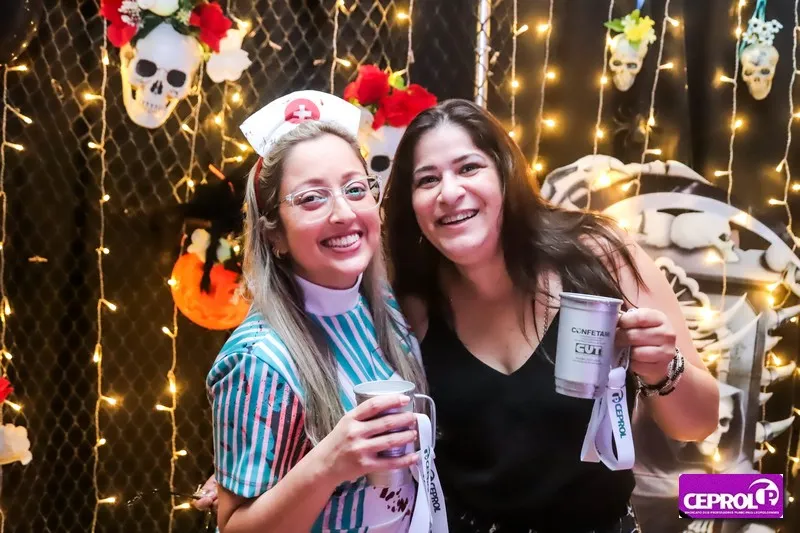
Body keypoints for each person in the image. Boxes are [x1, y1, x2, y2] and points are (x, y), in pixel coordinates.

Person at [382, 99, 720, 533]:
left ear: (505, 174)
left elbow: (698, 424)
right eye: (427, 179)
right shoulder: (412, 303)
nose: (448, 192)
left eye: (469, 168)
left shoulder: (599, 256)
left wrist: (662, 368)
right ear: (412, 203)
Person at [207, 90, 445, 533]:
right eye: (312, 198)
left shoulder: (385, 310)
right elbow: (233, 526)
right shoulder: (259, 360)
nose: (343, 212)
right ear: (274, 234)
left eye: (355, 189)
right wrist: (330, 463)